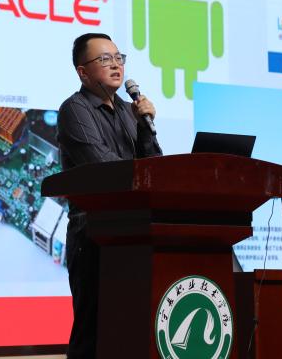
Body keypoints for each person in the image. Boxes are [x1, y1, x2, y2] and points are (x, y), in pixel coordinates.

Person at [57, 32, 162, 359]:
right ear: (83, 72)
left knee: (130, 332)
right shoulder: (74, 110)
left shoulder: (130, 112)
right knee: (93, 332)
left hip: (133, 234)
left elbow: (155, 170)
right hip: (93, 235)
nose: (116, 65)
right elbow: (104, 169)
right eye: (105, 59)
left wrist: (144, 127)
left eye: (119, 58)